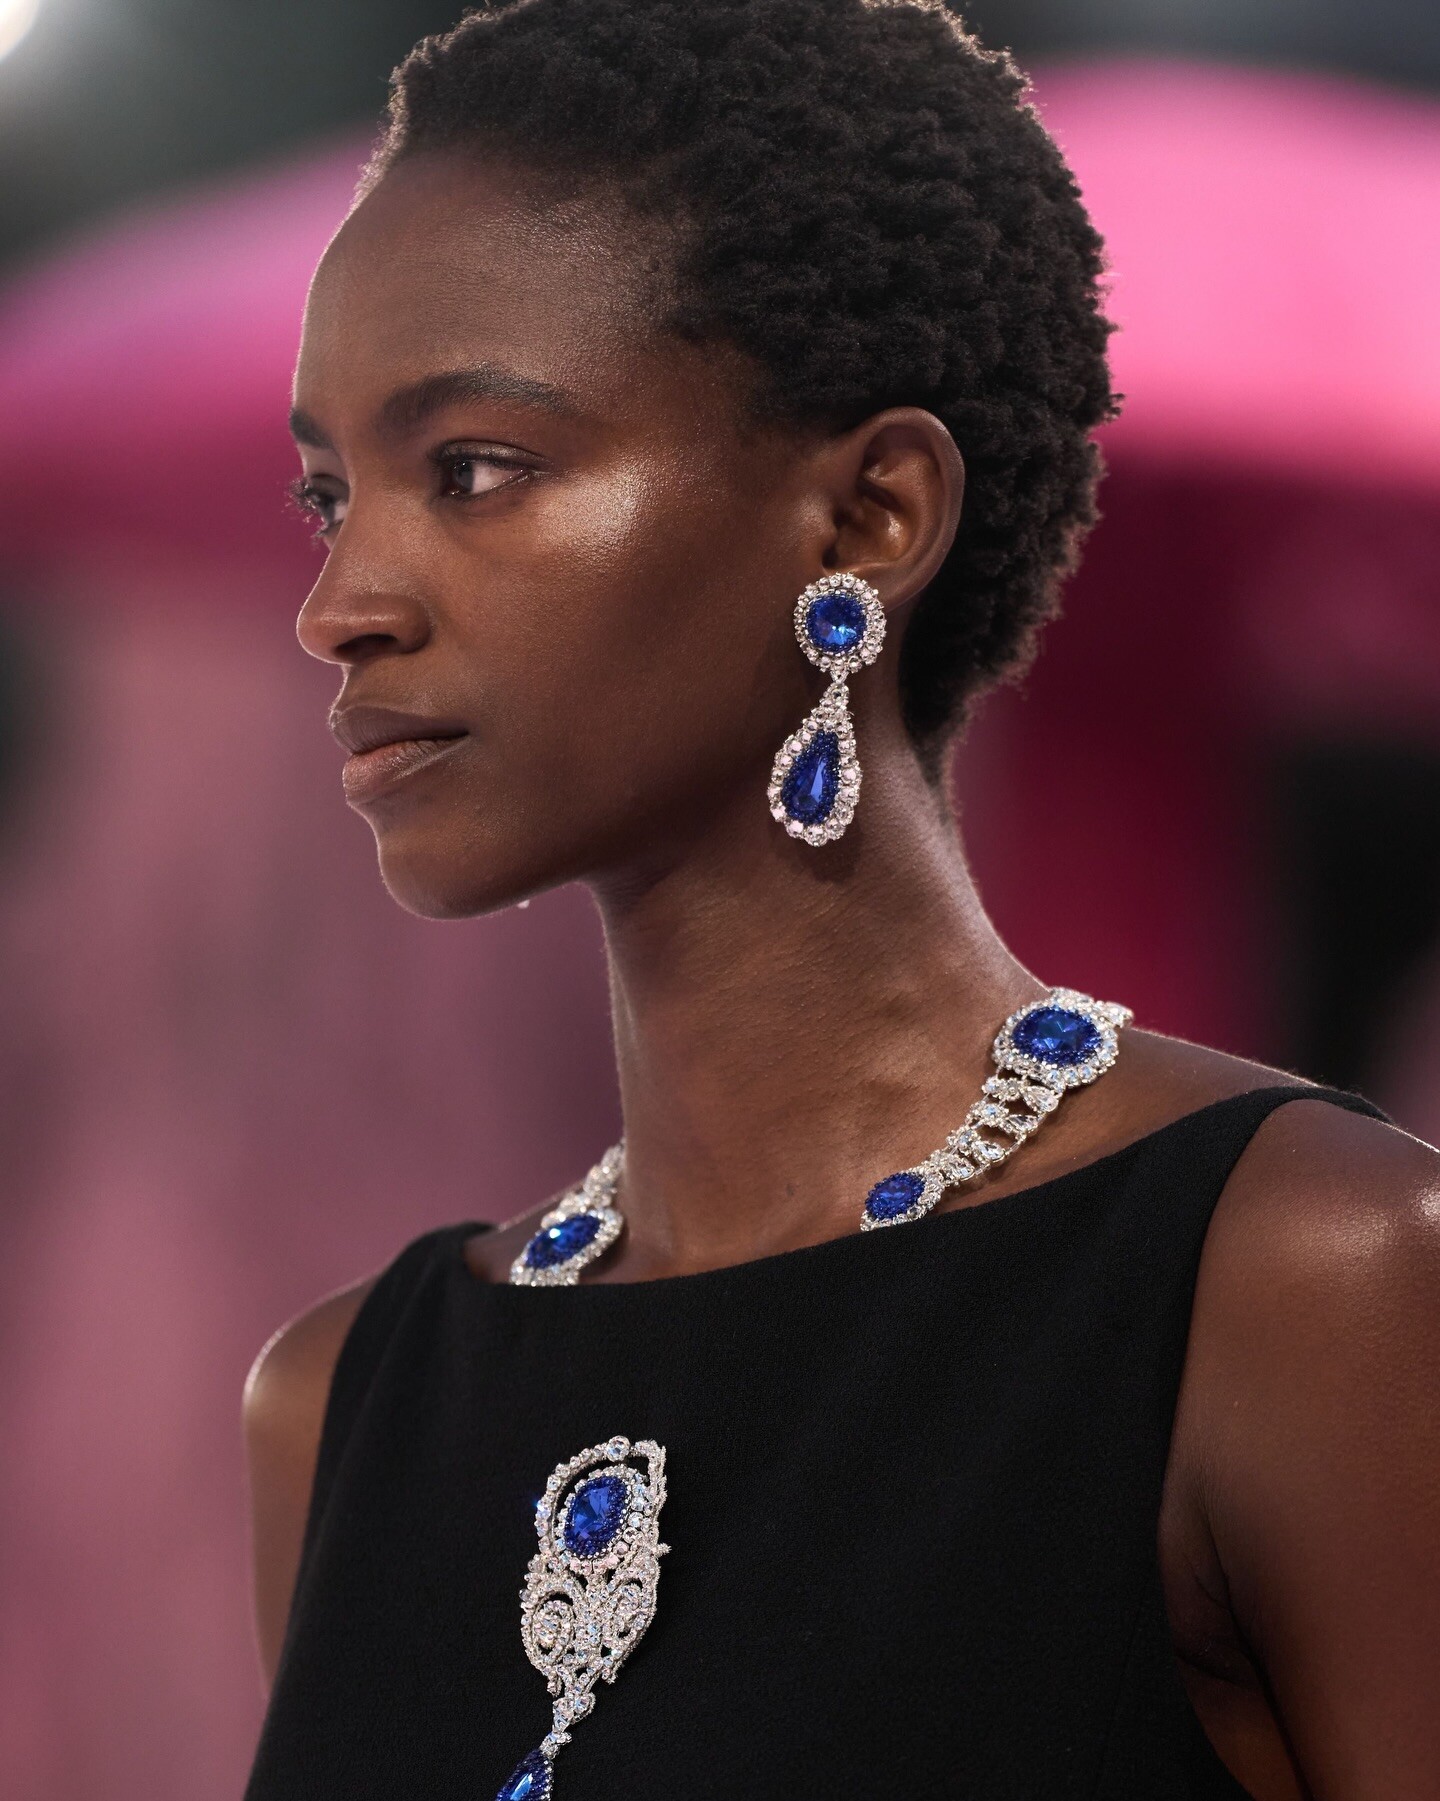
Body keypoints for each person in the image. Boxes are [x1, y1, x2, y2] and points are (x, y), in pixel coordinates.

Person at [241, 2, 1440, 1797]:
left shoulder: (1300, 1284)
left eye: (473, 470)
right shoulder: (342, 1403)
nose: (342, 602)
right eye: (329, 493)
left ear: (870, 515)